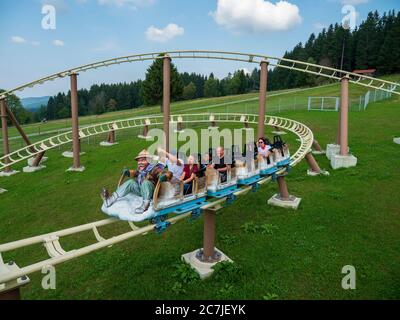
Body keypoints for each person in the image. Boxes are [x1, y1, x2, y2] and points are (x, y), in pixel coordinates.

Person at [101, 149, 168, 214]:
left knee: (146, 182)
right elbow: (135, 173)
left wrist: (165, 176)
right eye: (139, 161)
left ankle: (145, 205)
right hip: (141, 190)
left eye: (143, 160)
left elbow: (164, 173)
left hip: (152, 193)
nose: (140, 163)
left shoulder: (154, 168)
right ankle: (111, 199)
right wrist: (128, 172)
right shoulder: (141, 169)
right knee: (131, 182)